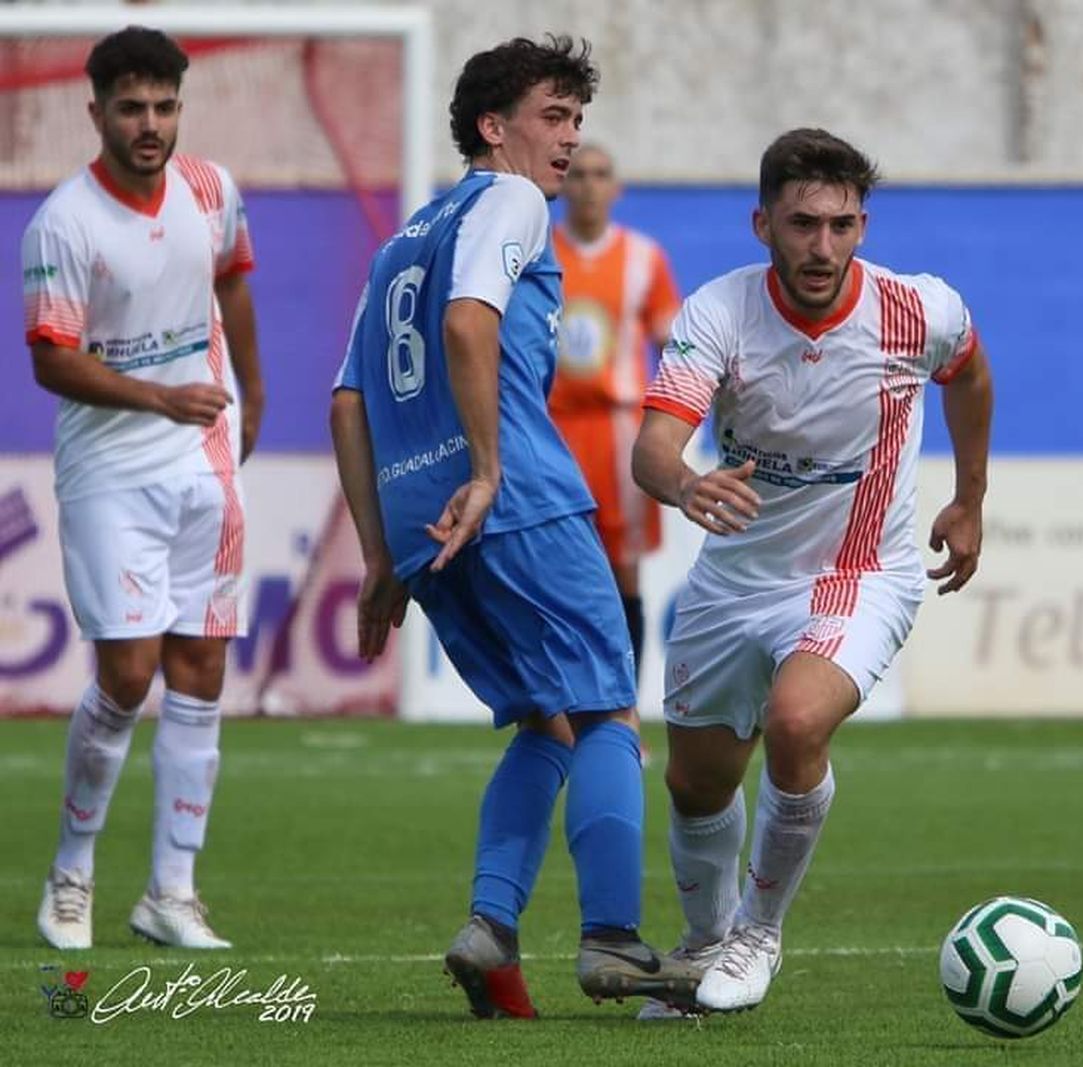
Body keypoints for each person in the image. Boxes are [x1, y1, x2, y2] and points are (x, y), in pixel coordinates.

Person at [329, 35, 697, 1020]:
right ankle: (613, 935)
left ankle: (490, 929)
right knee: (611, 706)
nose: (569, 140)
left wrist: (378, 554)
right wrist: (491, 470)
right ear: (494, 127)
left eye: (577, 120)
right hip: (516, 497)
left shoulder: (403, 236)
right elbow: (466, 324)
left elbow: (349, 403)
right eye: (552, 116)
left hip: (421, 524)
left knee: (547, 718)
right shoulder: (510, 200)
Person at [632, 127, 993, 1015]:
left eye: (840, 224)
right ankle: (705, 947)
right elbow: (652, 448)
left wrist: (970, 498)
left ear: (864, 225)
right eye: (802, 224)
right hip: (734, 578)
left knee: (796, 724)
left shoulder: (920, 309)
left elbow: (972, 376)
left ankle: (757, 932)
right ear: (763, 224)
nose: (822, 246)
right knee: (695, 782)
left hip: (858, 572)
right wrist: (684, 482)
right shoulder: (718, 313)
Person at [23, 26, 264, 952]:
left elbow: (234, 279)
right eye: (131, 107)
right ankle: (73, 871)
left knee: (201, 667)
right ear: (97, 114)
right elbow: (52, 360)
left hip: (201, 456)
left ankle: (171, 890)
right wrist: (163, 397)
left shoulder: (212, 189)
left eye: (164, 105)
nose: (150, 123)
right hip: (110, 470)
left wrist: (254, 385)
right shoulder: (65, 223)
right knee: (127, 673)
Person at [551, 144, 681, 678]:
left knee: (622, 572)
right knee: (555, 572)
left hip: (619, 431)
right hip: (551, 429)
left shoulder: (643, 258)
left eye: (600, 175)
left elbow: (674, 343)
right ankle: (561, 713)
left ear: (615, 188)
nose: (587, 185)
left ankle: (622, 711)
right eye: (577, 174)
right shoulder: (535, 255)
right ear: (563, 185)